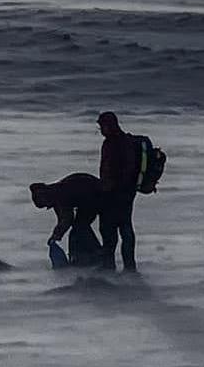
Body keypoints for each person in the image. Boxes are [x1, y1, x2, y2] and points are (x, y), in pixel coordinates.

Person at [97, 112, 140, 271]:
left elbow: (125, 169)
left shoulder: (118, 143)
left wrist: (111, 187)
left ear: (110, 125)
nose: (101, 130)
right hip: (124, 193)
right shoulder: (119, 142)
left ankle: (115, 266)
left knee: (112, 230)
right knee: (123, 228)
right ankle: (127, 266)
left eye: (102, 126)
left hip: (118, 193)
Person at [30, 173, 104, 267]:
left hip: (94, 197)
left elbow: (67, 219)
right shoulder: (55, 193)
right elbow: (63, 219)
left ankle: (93, 254)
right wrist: (56, 235)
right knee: (79, 228)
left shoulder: (58, 194)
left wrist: (56, 236)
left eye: (45, 205)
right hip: (89, 197)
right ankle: (86, 255)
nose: (47, 207)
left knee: (79, 227)